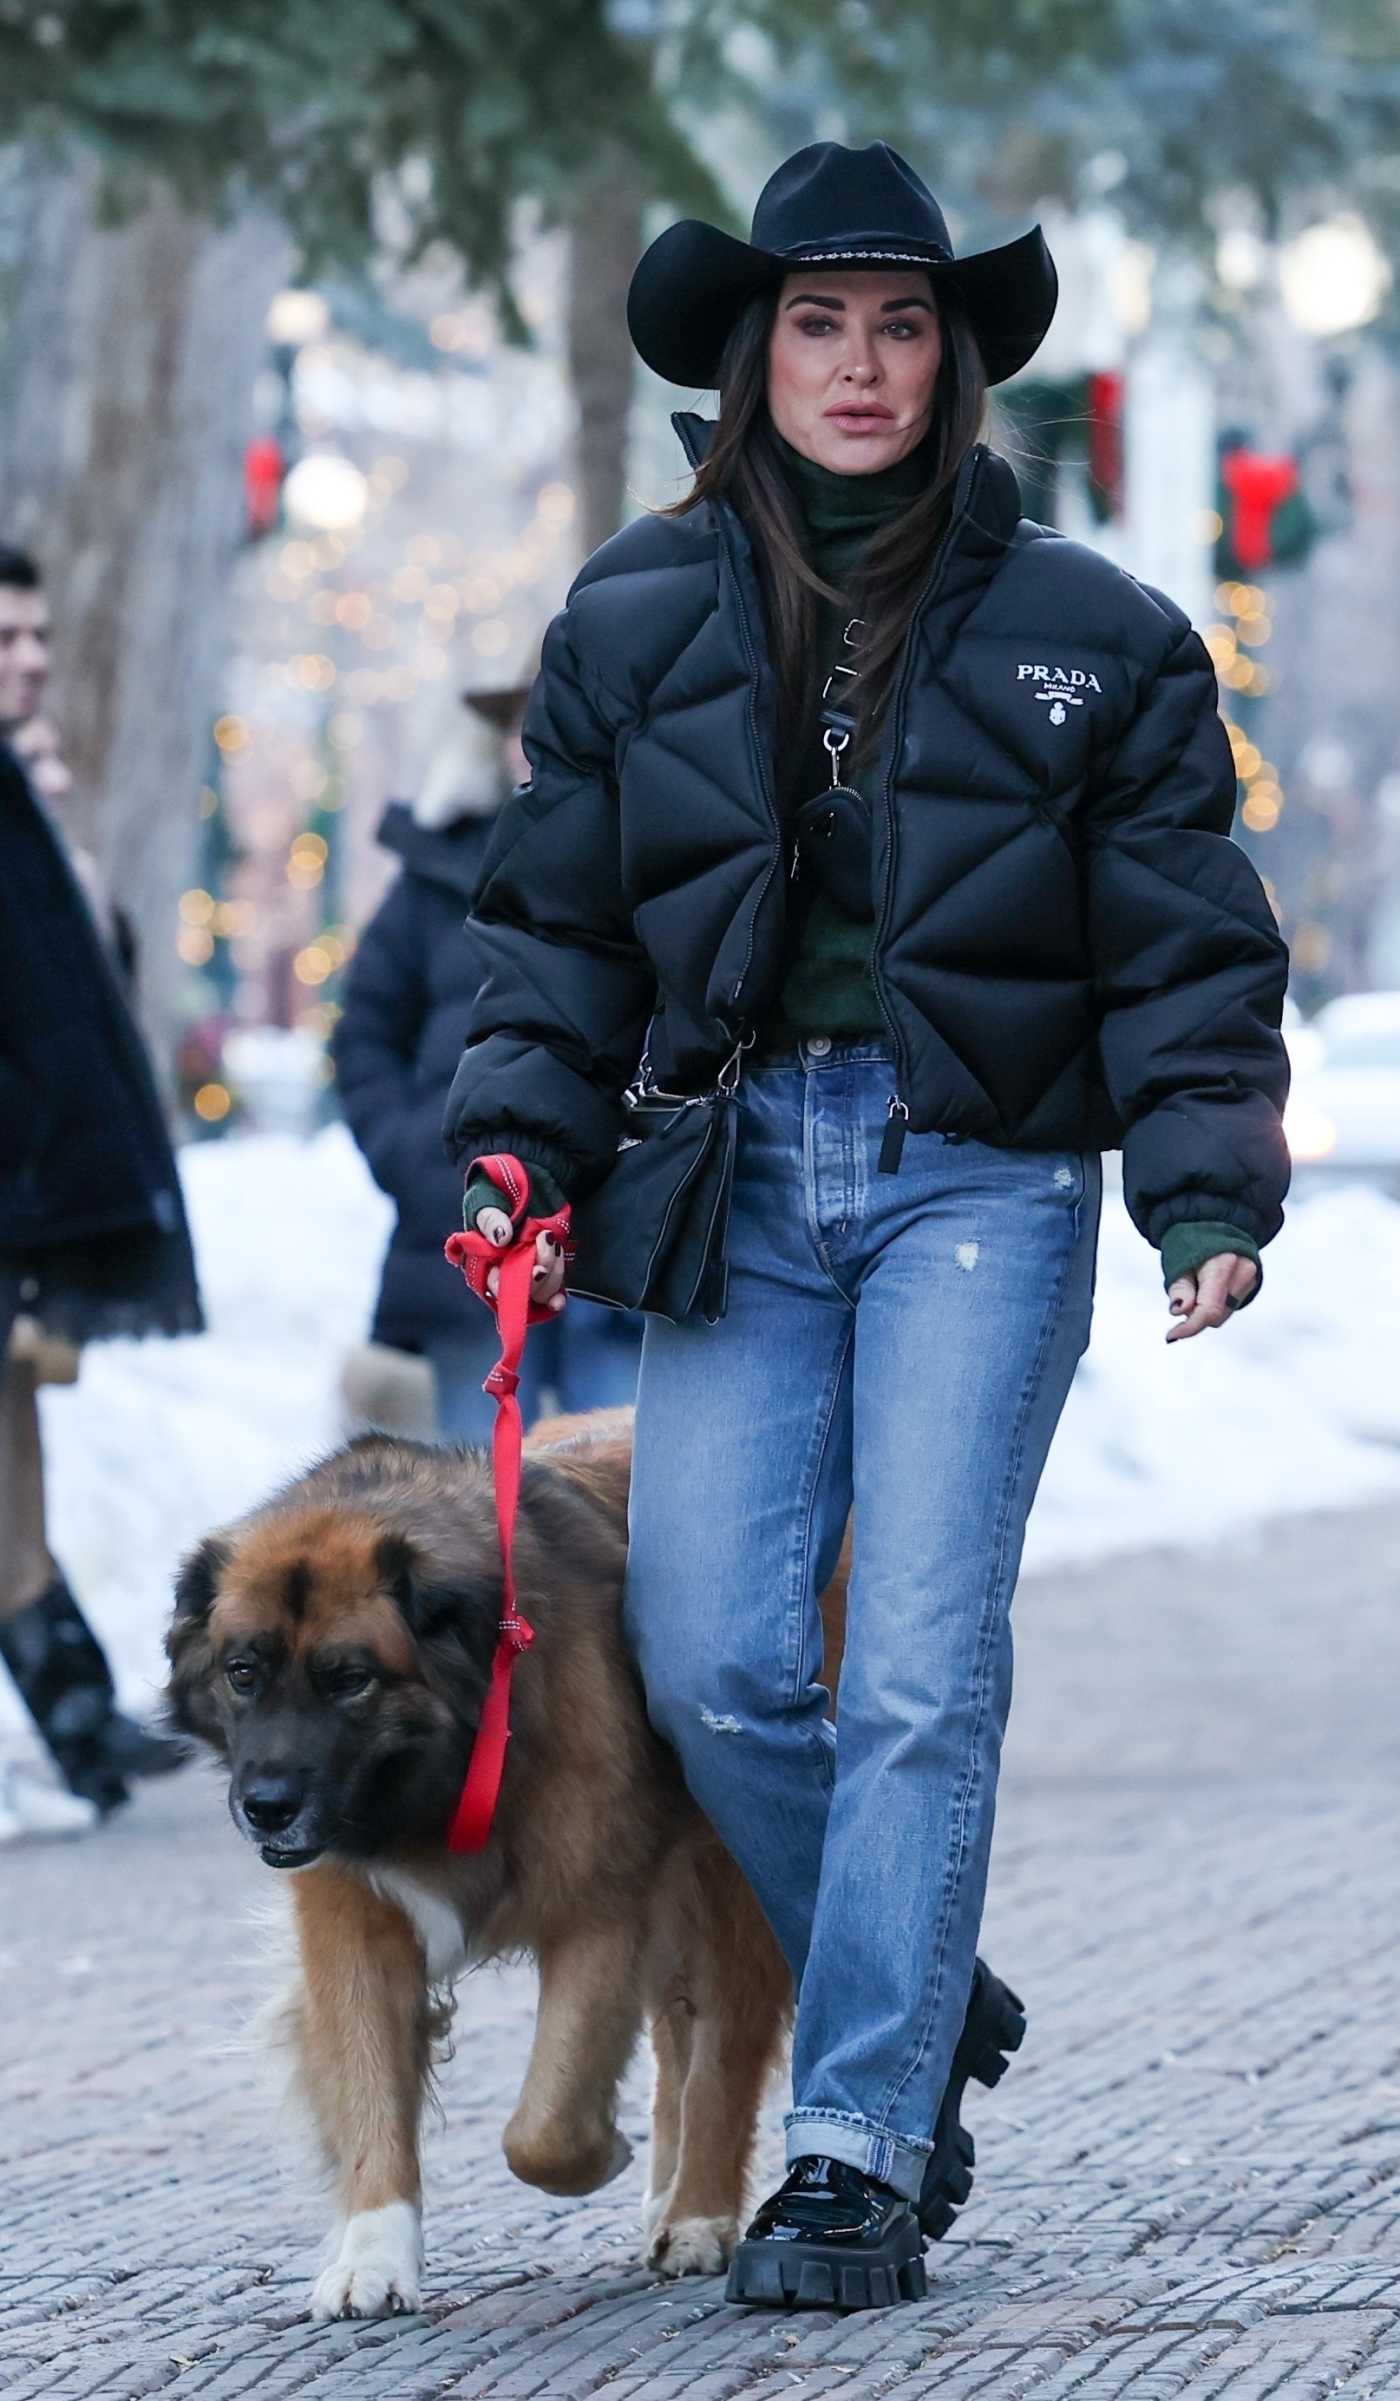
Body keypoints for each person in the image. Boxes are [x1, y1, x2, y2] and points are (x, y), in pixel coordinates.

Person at [443, 144, 1290, 2309]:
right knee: (724, 1656)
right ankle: (916, 1977)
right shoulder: (631, 615)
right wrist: (516, 1151)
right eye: (815, 322)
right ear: (750, 354)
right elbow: (550, 933)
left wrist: (1201, 1176)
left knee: (916, 1663)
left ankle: (862, 2134)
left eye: (900, 323)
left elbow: (1185, 943)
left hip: (978, 1182)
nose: (858, 361)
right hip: (731, 1182)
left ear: (953, 358)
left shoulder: (1098, 641)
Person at [0, 542, 199, 1829]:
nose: (30, 661)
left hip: (24, 1205)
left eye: (36, 639)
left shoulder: (24, 798)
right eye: (6, 638)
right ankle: (75, 1723)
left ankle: (76, 1721)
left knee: (14, 1473)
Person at [334, 673, 643, 1443]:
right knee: (477, 1520)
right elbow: (363, 1032)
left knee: (618, 1512)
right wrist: (418, 1157)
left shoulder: (648, 865)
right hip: (473, 1238)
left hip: (618, 1245)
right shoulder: (435, 877)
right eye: (523, 727)